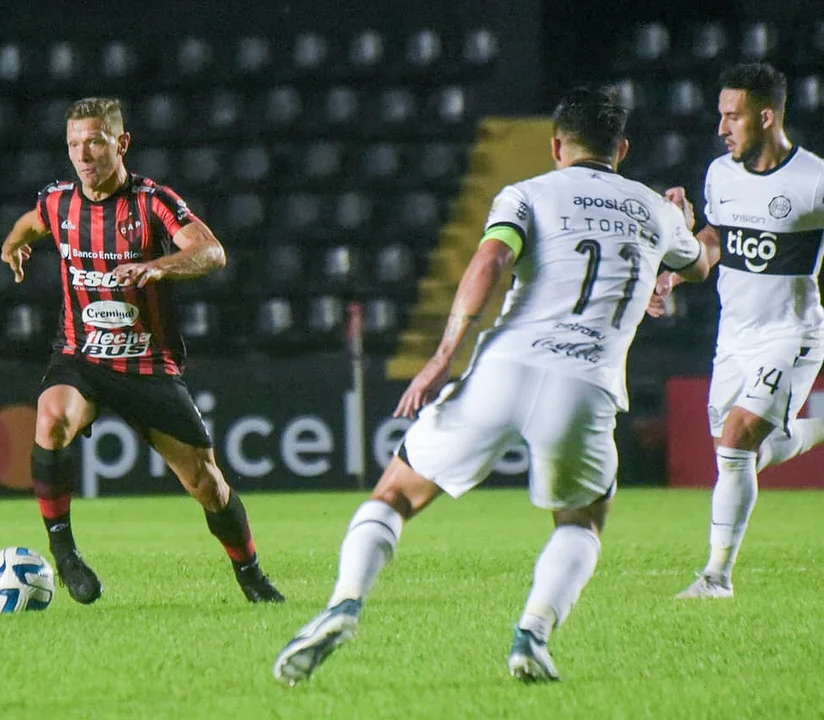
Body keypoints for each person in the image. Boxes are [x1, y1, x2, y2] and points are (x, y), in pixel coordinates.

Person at [273, 86, 710, 686]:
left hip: (504, 368)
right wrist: (683, 224)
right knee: (582, 520)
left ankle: (344, 604)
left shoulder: (527, 193)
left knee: (396, 494)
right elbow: (699, 265)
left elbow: (488, 264)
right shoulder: (655, 209)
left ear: (557, 145)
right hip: (585, 385)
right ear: (623, 148)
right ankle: (532, 633)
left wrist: (443, 355)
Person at [0, 97, 284, 605]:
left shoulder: (152, 202)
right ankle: (63, 553)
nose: (83, 154)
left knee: (207, 484)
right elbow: (30, 225)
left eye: (95, 142)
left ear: (121, 143)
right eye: (73, 145)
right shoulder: (59, 202)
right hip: (81, 356)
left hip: (147, 366)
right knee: (50, 416)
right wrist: (13, 245)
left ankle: (251, 576)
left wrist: (161, 266)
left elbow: (212, 251)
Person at [648, 63, 824, 600]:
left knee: (737, 439)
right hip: (735, 337)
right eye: (720, 115)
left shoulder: (815, 179)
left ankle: (716, 577)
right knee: (739, 453)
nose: (722, 127)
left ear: (766, 116)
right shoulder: (720, 174)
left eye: (733, 115)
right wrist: (675, 268)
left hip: (791, 333)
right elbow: (712, 251)